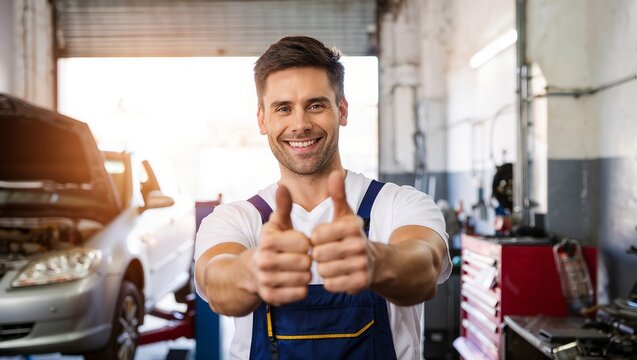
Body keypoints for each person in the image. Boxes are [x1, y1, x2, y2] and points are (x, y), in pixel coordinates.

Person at [194, 35, 451, 360]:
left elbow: (425, 268)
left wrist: (376, 262)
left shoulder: (400, 205)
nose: (300, 124)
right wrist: (251, 272)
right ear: (262, 119)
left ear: (341, 110)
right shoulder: (236, 219)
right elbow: (216, 283)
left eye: (315, 105)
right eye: (283, 108)